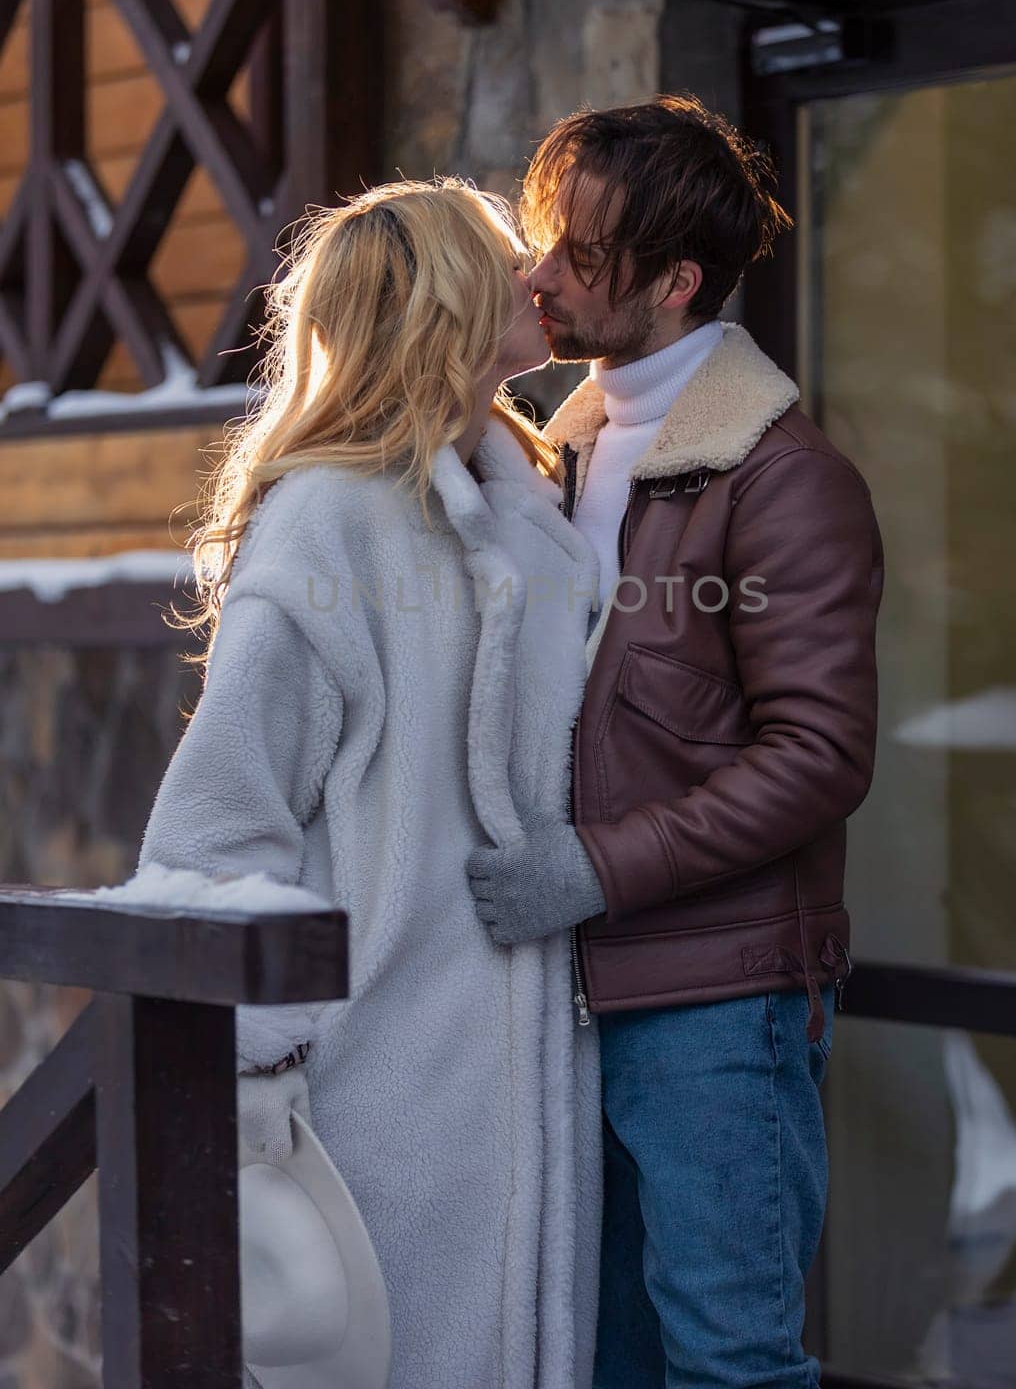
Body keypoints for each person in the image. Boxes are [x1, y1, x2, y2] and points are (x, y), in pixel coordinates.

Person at [136, 181, 603, 1389]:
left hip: (526, 1073)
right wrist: (265, 1073)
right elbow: (213, 825)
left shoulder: (529, 515)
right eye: (506, 259)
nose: (536, 276)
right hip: (379, 1085)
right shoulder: (329, 527)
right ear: (444, 295)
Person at [466, 97, 884, 1388]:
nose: (535, 276)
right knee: (598, 1360)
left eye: (576, 257)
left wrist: (591, 867)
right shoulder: (558, 459)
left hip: (718, 1004)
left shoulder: (780, 479)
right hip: (573, 1000)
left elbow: (817, 756)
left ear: (672, 283)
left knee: (728, 1365)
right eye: (542, 241)